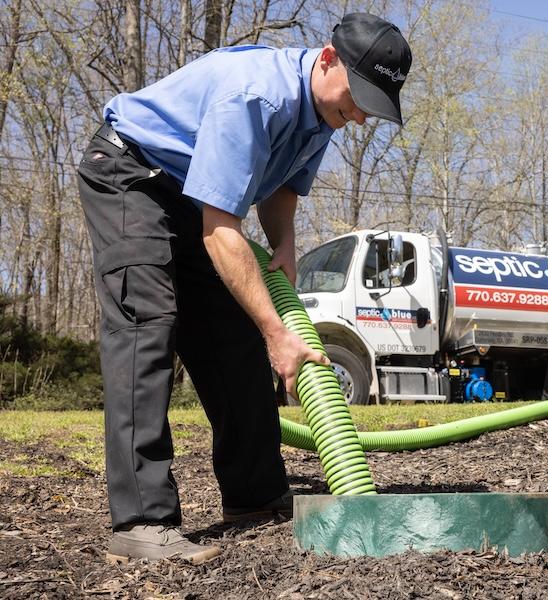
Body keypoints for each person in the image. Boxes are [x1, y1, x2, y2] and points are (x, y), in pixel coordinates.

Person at [75, 13, 412, 564]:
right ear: (328, 59)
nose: (357, 115)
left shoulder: (323, 111)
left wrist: (283, 245)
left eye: (370, 105)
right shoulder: (256, 98)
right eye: (356, 98)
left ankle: (256, 497)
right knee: (147, 327)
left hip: (185, 193)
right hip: (129, 174)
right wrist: (279, 332)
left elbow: (280, 186)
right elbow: (220, 230)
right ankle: (141, 521)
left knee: (231, 338)